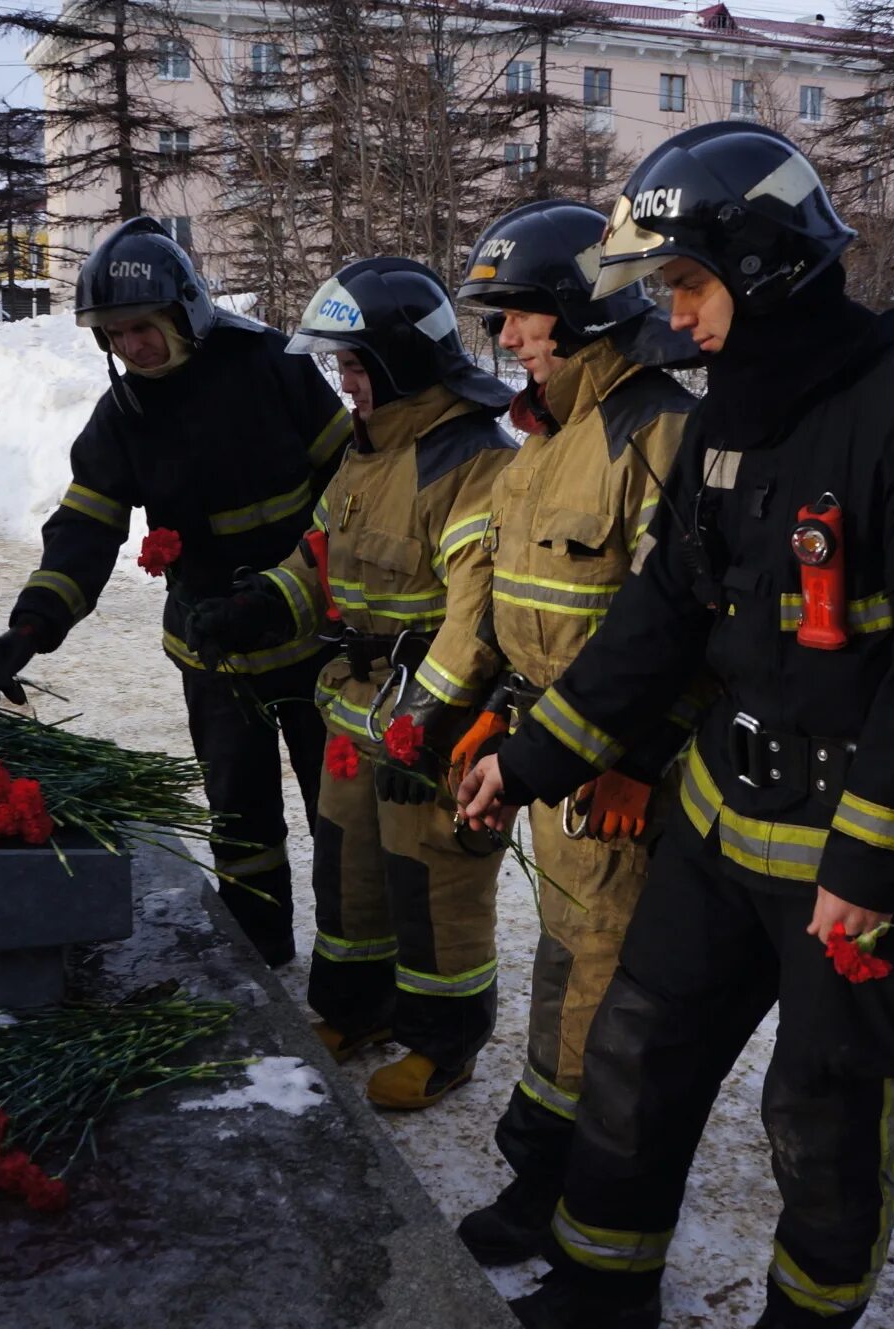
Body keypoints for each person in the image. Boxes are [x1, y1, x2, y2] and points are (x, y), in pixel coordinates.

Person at [460, 122, 894, 1327]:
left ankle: (804, 1318)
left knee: (822, 1114)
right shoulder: (729, 416)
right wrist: (537, 755)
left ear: (763, 265)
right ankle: (599, 1291)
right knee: (634, 1064)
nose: (678, 316)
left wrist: (873, 865)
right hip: (719, 828)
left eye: (687, 285)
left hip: (850, 864)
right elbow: (666, 606)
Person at [189, 258, 518, 1110]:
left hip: (426, 727)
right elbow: (321, 559)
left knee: (432, 884)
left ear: (403, 362)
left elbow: (476, 616)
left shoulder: (470, 461)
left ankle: (444, 1043)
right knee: (349, 873)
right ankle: (355, 1009)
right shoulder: (367, 454)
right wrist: (263, 602)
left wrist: (425, 720)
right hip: (357, 712)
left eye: (356, 365)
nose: (344, 383)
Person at [0, 218, 350, 968]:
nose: (131, 346)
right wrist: (33, 622)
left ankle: (354, 969)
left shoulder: (273, 366)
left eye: (142, 327)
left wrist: (291, 589)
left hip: (313, 640)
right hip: (213, 650)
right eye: (114, 334)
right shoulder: (124, 418)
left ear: (187, 309)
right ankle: (261, 958)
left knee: (341, 815)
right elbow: (86, 526)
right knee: (241, 821)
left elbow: (354, 488)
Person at [448, 199, 702, 1264]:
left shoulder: (662, 433)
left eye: (518, 316)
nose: (503, 338)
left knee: (607, 1004)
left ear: (576, 310)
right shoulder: (540, 445)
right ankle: (542, 1178)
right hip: (550, 769)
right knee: (562, 972)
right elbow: (528, 607)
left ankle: (593, 1212)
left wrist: (642, 758)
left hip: (620, 790)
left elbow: (694, 617)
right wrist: (487, 716)